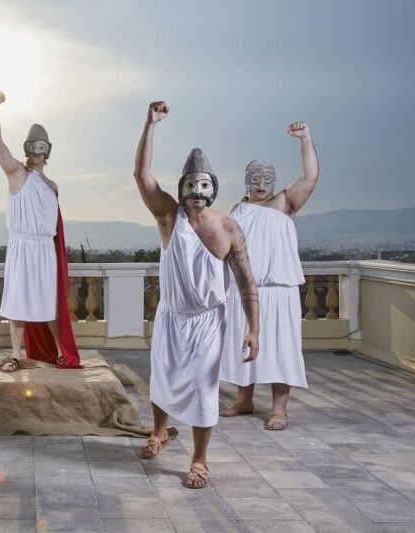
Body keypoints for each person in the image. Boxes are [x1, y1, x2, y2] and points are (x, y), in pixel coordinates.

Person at [132, 102, 260, 488]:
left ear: (212, 188)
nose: (196, 193)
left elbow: (246, 283)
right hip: (171, 315)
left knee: (204, 387)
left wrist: (255, 329)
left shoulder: (229, 229)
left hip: (208, 320)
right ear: (182, 189)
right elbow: (141, 176)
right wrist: (150, 124)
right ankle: (158, 432)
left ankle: (200, 460)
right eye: (190, 186)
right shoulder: (169, 217)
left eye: (203, 186)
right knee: (163, 379)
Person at [220, 122, 319, 430]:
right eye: (255, 178)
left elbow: (311, 176)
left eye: (267, 178)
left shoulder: (284, 203)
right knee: (243, 346)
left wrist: (305, 139)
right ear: (246, 181)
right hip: (243, 290)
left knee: (279, 347)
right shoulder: (238, 208)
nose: (261, 182)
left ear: (274, 181)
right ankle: (244, 400)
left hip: (278, 290)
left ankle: (279, 409)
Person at [0, 90, 80, 372]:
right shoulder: (18, 175)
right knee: (18, 303)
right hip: (22, 247)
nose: (36, 152)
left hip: (44, 250)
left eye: (41, 147)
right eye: (32, 146)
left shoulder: (52, 186)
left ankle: (60, 351)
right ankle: (16, 355)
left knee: (49, 304)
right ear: (27, 148)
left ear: (47, 150)